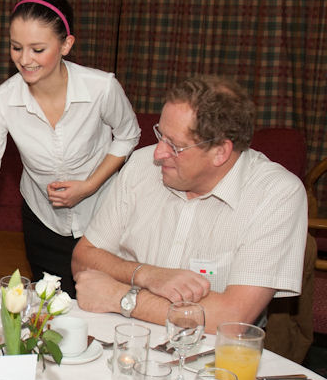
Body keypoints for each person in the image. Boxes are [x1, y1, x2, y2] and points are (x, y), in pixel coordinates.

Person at [0, 0, 140, 297]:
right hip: (43, 221)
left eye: (38, 49)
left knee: (103, 305)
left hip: (104, 219)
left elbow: (128, 136)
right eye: (16, 47)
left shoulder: (101, 88)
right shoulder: (2, 101)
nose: (25, 59)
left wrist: (88, 186)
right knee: (52, 311)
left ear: (66, 45)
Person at [71, 75, 308, 332]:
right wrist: (146, 274)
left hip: (207, 354)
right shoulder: (141, 165)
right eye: (160, 135)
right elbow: (83, 258)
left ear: (221, 152)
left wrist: (121, 297)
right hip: (121, 335)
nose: (158, 153)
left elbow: (230, 319)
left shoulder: (276, 194)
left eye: (175, 146)